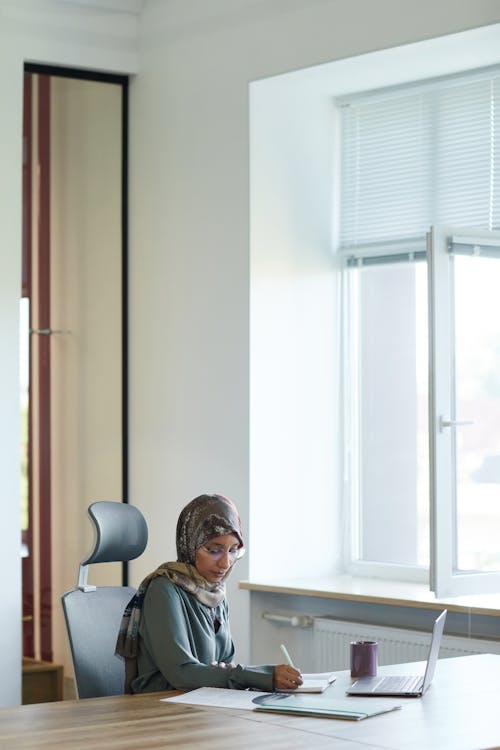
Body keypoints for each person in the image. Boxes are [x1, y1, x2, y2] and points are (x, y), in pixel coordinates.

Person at [115, 493, 303, 693]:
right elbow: (181, 673)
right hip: (161, 708)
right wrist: (261, 676)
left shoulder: (215, 591)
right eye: (214, 550)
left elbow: (223, 666)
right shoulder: (163, 589)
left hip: (203, 706)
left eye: (233, 551)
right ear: (190, 544)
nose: (225, 563)